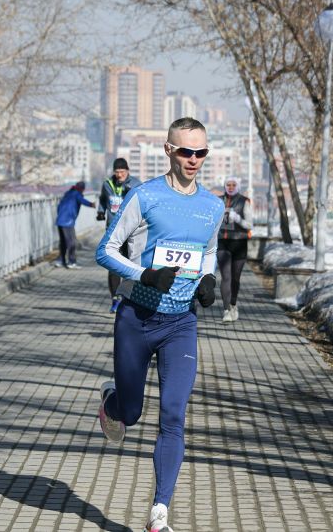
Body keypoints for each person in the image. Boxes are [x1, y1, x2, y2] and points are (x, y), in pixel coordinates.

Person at [95, 117, 223, 532]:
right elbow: (105, 251)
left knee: (173, 415)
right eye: (186, 151)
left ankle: (159, 512)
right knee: (131, 414)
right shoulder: (145, 196)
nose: (194, 159)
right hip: (136, 317)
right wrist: (145, 275)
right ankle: (113, 403)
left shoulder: (213, 206)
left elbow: (208, 251)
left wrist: (208, 279)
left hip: (180, 323)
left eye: (201, 152)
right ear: (169, 150)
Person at [97, 158, 143, 312]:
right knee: (113, 265)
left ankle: (128, 297)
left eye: (122, 172)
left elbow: (143, 203)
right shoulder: (107, 184)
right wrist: (101, 211)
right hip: (112, 231)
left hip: (131, 232)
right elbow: (103, 199)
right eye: (117, 172)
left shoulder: (136, 184)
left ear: (127, 171)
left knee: (130, 264)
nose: (119, 175)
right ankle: (115, 299)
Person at [217, 176, 253, 323]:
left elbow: (249, 225)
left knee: (235, 278)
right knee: (226, 277)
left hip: (239, 243)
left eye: (233, 185)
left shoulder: (244, 201)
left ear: (238, 186)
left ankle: (233, 304)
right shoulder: (218, 201)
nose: (230, 187)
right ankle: (226, 310)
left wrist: (237, 218)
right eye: (228, 184)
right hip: (222, 242)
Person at [55, 181, 94, 269]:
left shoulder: (68, 193)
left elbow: (59, 206)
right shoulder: (77, 194)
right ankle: (71, 262)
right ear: (82, 189)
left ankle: (60, 260)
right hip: (68, 222)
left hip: (60, 220)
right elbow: (84, 201)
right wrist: (93, 204)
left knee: (63, 242)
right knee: (71, 242)